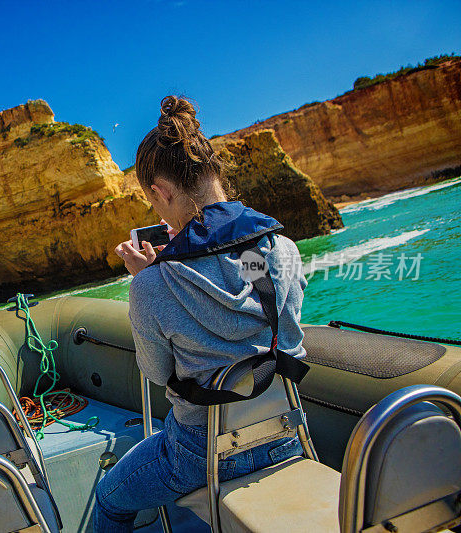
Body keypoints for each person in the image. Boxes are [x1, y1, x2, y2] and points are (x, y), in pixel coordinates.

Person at [92, 95, 307, 532]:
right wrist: (175, 266)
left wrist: (150, 279)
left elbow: (156, 373)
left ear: (160, 191)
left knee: (109, 500)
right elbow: (257, 300)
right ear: (214, 173)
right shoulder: (276, 250)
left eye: (155, 204)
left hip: (200, 453)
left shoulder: (154, 286)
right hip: (286, 434)